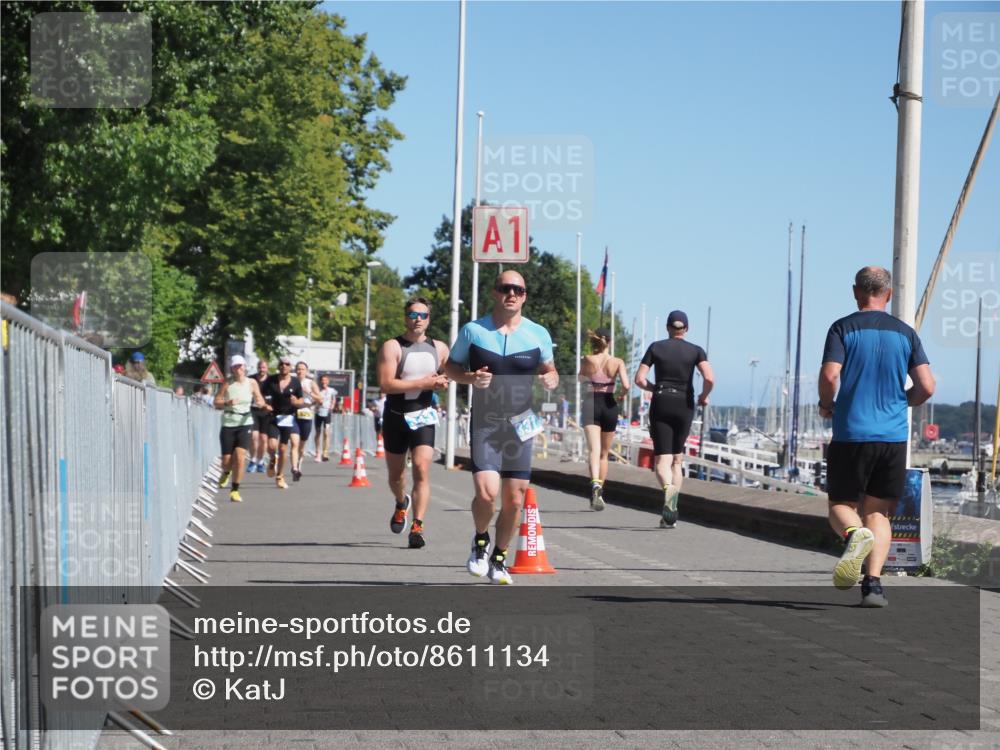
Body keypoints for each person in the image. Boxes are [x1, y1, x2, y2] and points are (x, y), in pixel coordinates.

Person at [819, 266, 935, 608]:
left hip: (852, 432)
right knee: (878, 513)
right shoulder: (906, 333)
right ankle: (873, 587)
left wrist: (828, 405)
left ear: (856, 291)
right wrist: (904, 402)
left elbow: (830, 375)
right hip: (892, 436)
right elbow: (927, 386)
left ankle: (854, 537)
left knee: (841, 506)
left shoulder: (843, 328)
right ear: (889, 294)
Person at [444, 270, 558, 585]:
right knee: (486, 493)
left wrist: (551, 378)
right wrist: (468, 378)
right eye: (505, 288)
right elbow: (450, 367)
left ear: (524, 296)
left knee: (515, 499)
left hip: (522, 424)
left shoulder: (538, 334)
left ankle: (499, 557)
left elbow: (550, 370)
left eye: (518, 290)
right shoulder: (473, 331)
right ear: (495, 293)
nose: (512, 294)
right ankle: (481, 541)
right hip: (486, 423)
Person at [376, 298, 450, 549]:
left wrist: (453, 379)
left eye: (423, 314)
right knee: (396, 476)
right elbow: (386, 384)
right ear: (405, 317)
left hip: (423, 415)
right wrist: (425, 383)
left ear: (429, 318)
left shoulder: (439, 348)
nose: (418, 318)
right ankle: (400, 502)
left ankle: (417, 526)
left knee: (421, 467)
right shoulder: (392, 346)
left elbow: (450, 374)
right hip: (396, 417)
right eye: (413, 314)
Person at [634, 310, 714, 529]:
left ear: (668, 328)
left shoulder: (656, 347)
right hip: (684, 405)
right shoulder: (696, 351)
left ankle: (668, 492)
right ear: (686, 329)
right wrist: (703, 397)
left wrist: (655, 387)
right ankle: (671, 505)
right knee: (677, 460)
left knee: (662, 461)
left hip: (661, 402)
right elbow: (709, 377)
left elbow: (639, 379)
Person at [579, 327, 630, 510]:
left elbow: (580, 378)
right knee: (604, 454)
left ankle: (594, 483)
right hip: (609, 404)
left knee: (593, 449)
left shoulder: (587, 359)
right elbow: (626, 385)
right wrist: (621, 395)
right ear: (609, 342)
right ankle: (600, 490)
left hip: (591, 402)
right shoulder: (617, 362)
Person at [214, 355, 265, 502]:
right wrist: (227, 403)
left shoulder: (252, 382)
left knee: (240, 456)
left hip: (246, 422)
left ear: (245, 367)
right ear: (232, 368)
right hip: (229, 422)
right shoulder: (227, 383)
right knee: (226, 461)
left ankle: (235, 490)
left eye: (241, 366)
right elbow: (216, 402)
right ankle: (226, 471)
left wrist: (261, 403)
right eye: (236, 366)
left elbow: (259, 397)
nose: (239, 369)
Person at [260, 356, 304, 489]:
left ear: (290, 367)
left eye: (287, 364)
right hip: (273, 416)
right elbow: (260, 395)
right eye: (282, 364)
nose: (284, 366)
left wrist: (296, 402)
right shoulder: (271, 380)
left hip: (288, 417)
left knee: (283, 448)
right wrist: (264, 405)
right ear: (278, 366)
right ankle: (273, 458)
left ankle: (280, 476)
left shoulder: (295, 382)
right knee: (272, 446)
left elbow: (301, 399)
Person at [291, 361, 321, 480]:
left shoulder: (311, 383)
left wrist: (308, 393)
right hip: (293, 414)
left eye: (302, 369)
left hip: (306, 415)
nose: (300, 371)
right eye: (298, 369)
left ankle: (298, 462)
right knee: (294, 443)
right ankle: (294, 468)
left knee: (301, 446)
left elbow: (320, 399)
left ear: (307, 371)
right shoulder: (291, 381)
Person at [248, 359, 272, 473]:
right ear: (257, 368)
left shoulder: (271, 380)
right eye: (260, 367)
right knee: (254, 436)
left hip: (266, 412)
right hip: (253, 410)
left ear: (267, 368)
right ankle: (252, 460)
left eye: (264, 367)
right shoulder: (251, 379)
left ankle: (261, 461)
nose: (262, 370)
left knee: (263, 439)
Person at [313, 374, 336, 462]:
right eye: (322, 380)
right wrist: (317, 403)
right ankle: (317, 452)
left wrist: (332, 406)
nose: (324, 382)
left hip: (327, 413)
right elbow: (314, 400)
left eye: (325, 380)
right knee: (318, 433)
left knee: (326, 433)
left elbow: (334, 399)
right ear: (320, 381)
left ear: (328, 381)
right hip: (318, 413)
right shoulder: (317, 390)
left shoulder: (332, 390)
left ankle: (325, 453)